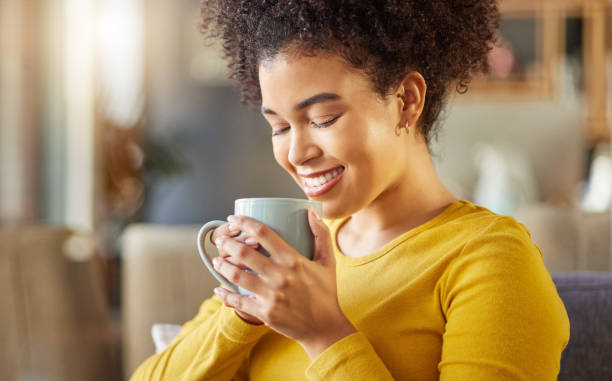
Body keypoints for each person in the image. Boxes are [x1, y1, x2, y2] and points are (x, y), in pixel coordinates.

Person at [131, 1, 569, 380]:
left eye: (322, 119)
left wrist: (325, 336)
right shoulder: (294, 250)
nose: (297, 152)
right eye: (279, 127)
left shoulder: (489, 259)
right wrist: (243, 312)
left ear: (406, 100)